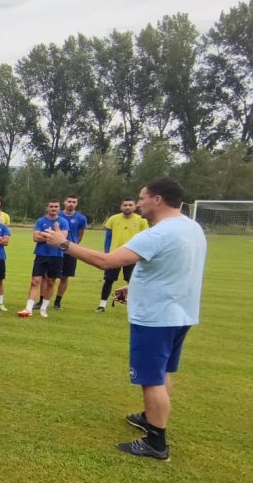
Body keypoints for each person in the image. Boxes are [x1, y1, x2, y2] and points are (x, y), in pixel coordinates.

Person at [42, 177, 206, 461]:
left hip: (156, 316)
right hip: (181, 312)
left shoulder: (157, 233)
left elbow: (107, 261)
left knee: (151, 378)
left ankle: (156, 442)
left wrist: (64, 244)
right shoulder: (191, 228)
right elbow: (174, 268)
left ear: (157, 199)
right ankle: (149, 417)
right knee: (163, 370)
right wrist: (134, 287)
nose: (138, 202)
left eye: (142, 198)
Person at [98, 198, 149, 312]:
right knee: (108, 280)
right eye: (125, 205)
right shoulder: (113, 219)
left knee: (132, 281)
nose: (127, 207)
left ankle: (135, 307)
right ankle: (102, 305)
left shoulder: (141, 220)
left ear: (135, 206)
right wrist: (107, 252)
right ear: (121, 207)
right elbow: (108, 237)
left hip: (132, 256)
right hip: (114, 255)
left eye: (130, 205)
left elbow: (145, 237)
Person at [19, 200, 67, 318]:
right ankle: (28, 308)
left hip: (56, 256)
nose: (53, 208)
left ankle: (43, 308)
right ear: (47, 208)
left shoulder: (63, 222)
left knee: (51, 282)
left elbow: (62, 239)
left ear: (59, 208)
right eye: (51, 206)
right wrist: (53, 235)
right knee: (35, 281)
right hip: (41, 254)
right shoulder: (41, 221)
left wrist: (46, 234)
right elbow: (35, 238)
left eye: (56, 206)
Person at [53, 194, 88, 309]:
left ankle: (57, 301)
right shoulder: (57, 215)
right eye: (69, 201)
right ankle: (43, 300)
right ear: (64, 202)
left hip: (70, 250)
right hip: (56, 249)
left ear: (76, 203)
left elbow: (80, 234)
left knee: (65, 277)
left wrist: (74, 245)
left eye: (74, 202)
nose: (71, 204)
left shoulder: (81, 218)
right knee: (50, 276)